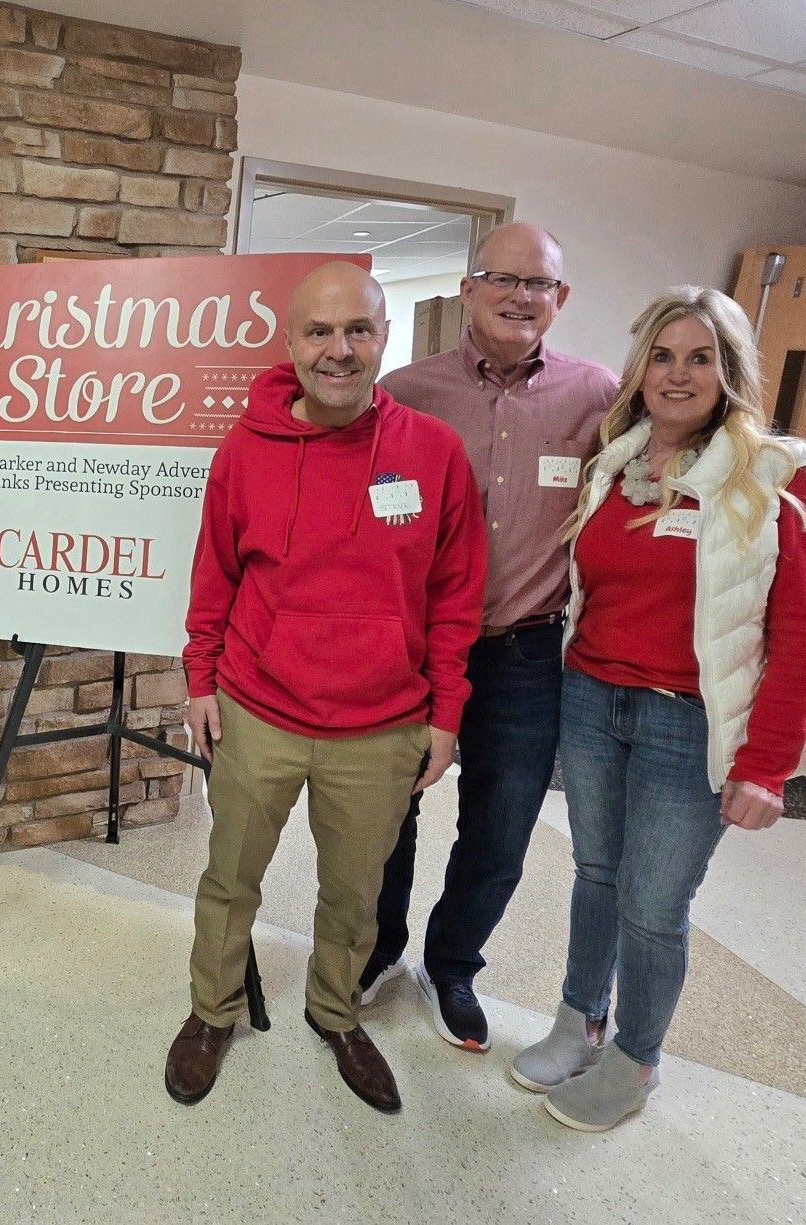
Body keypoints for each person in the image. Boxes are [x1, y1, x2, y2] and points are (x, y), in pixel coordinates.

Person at [512, 286, 806, 1131]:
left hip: (687, 723)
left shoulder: (776, 471)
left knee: (653, 903)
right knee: (594, 876)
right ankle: (580, 1020)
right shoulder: (617, 460)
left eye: (700, 357)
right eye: (661, 355)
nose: (677, 374)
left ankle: (636, 1058)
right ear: (638, 369)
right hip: (591, 698)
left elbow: (804, 634)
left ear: (729, 371)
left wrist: (766, 765)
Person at [168, 262, 487, 1114]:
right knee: (230, 876)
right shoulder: (245, 448)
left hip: (382, 724)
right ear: (290, 341)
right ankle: (211, 1011)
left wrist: (446, 712)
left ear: (384, 338)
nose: (338, 350)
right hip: (255, 709)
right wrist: (200, 674)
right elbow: (215, 573)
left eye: (358, 331)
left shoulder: (432, 452)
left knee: (356, 891)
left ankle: (336, 1011)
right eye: (319, 331)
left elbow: (456, 594)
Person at [362, 223, 620, 1053]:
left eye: (537, 283)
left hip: (524, 655)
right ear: (467, 289)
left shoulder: (598, 398)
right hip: (409, 649)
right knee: (383, 814)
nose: (519, 296)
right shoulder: (403, 393)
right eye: (499, 278)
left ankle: (451, 963)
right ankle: (378, 950)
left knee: (501, 828)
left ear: (560, 298)